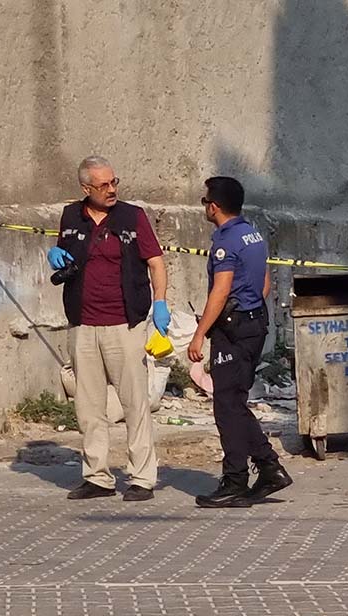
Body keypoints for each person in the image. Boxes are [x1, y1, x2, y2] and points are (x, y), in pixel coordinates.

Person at [47, 156, 170, 502]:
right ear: (86, 188)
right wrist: (55, 253)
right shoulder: (71, 216)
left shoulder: (133, 217)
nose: (112, 189)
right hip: (83, 324)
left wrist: (160, 301)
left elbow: (156, 263)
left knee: (135, 404)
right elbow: (64, 254)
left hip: (124, 324)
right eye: (104, 185)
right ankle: (97, 477)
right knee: (88, 407)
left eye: (114, 182)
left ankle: (142, 477)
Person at [187, 177, 292, 508]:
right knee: (235, 401)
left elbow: (220, 291)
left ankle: (235, 480)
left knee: (227, 406)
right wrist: (247, 308)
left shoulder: (226, 241)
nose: (205, 206)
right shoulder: (253, 234)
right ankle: (268, 467)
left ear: (214, 206)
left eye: (205, 201)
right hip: (254, 323)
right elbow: (264, 284)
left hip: (233, 330)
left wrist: (200, 334)